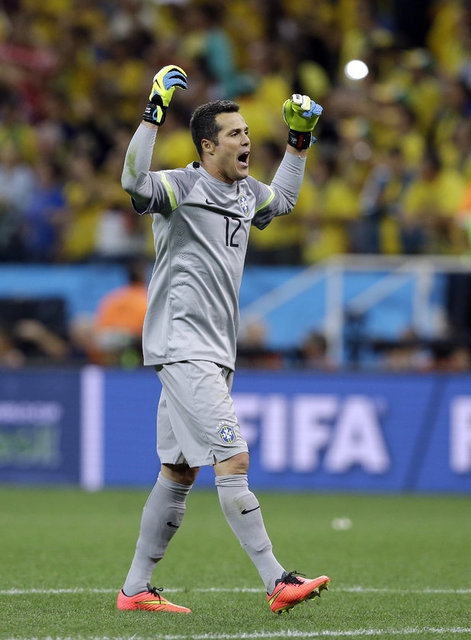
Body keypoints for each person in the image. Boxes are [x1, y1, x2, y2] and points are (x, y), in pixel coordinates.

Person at [117, 65, 330, 615]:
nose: (246, 141)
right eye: (235, 134)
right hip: (183, 344)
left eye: (247, 132)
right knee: (233, 457)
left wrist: (298, 142)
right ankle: (276, 579)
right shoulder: (182, 187)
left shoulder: (246, 193)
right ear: (209, 146)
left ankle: (135, 589)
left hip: (213, 349)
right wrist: (153, 114)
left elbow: (283, 201)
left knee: (178, 471)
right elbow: (132, 182)